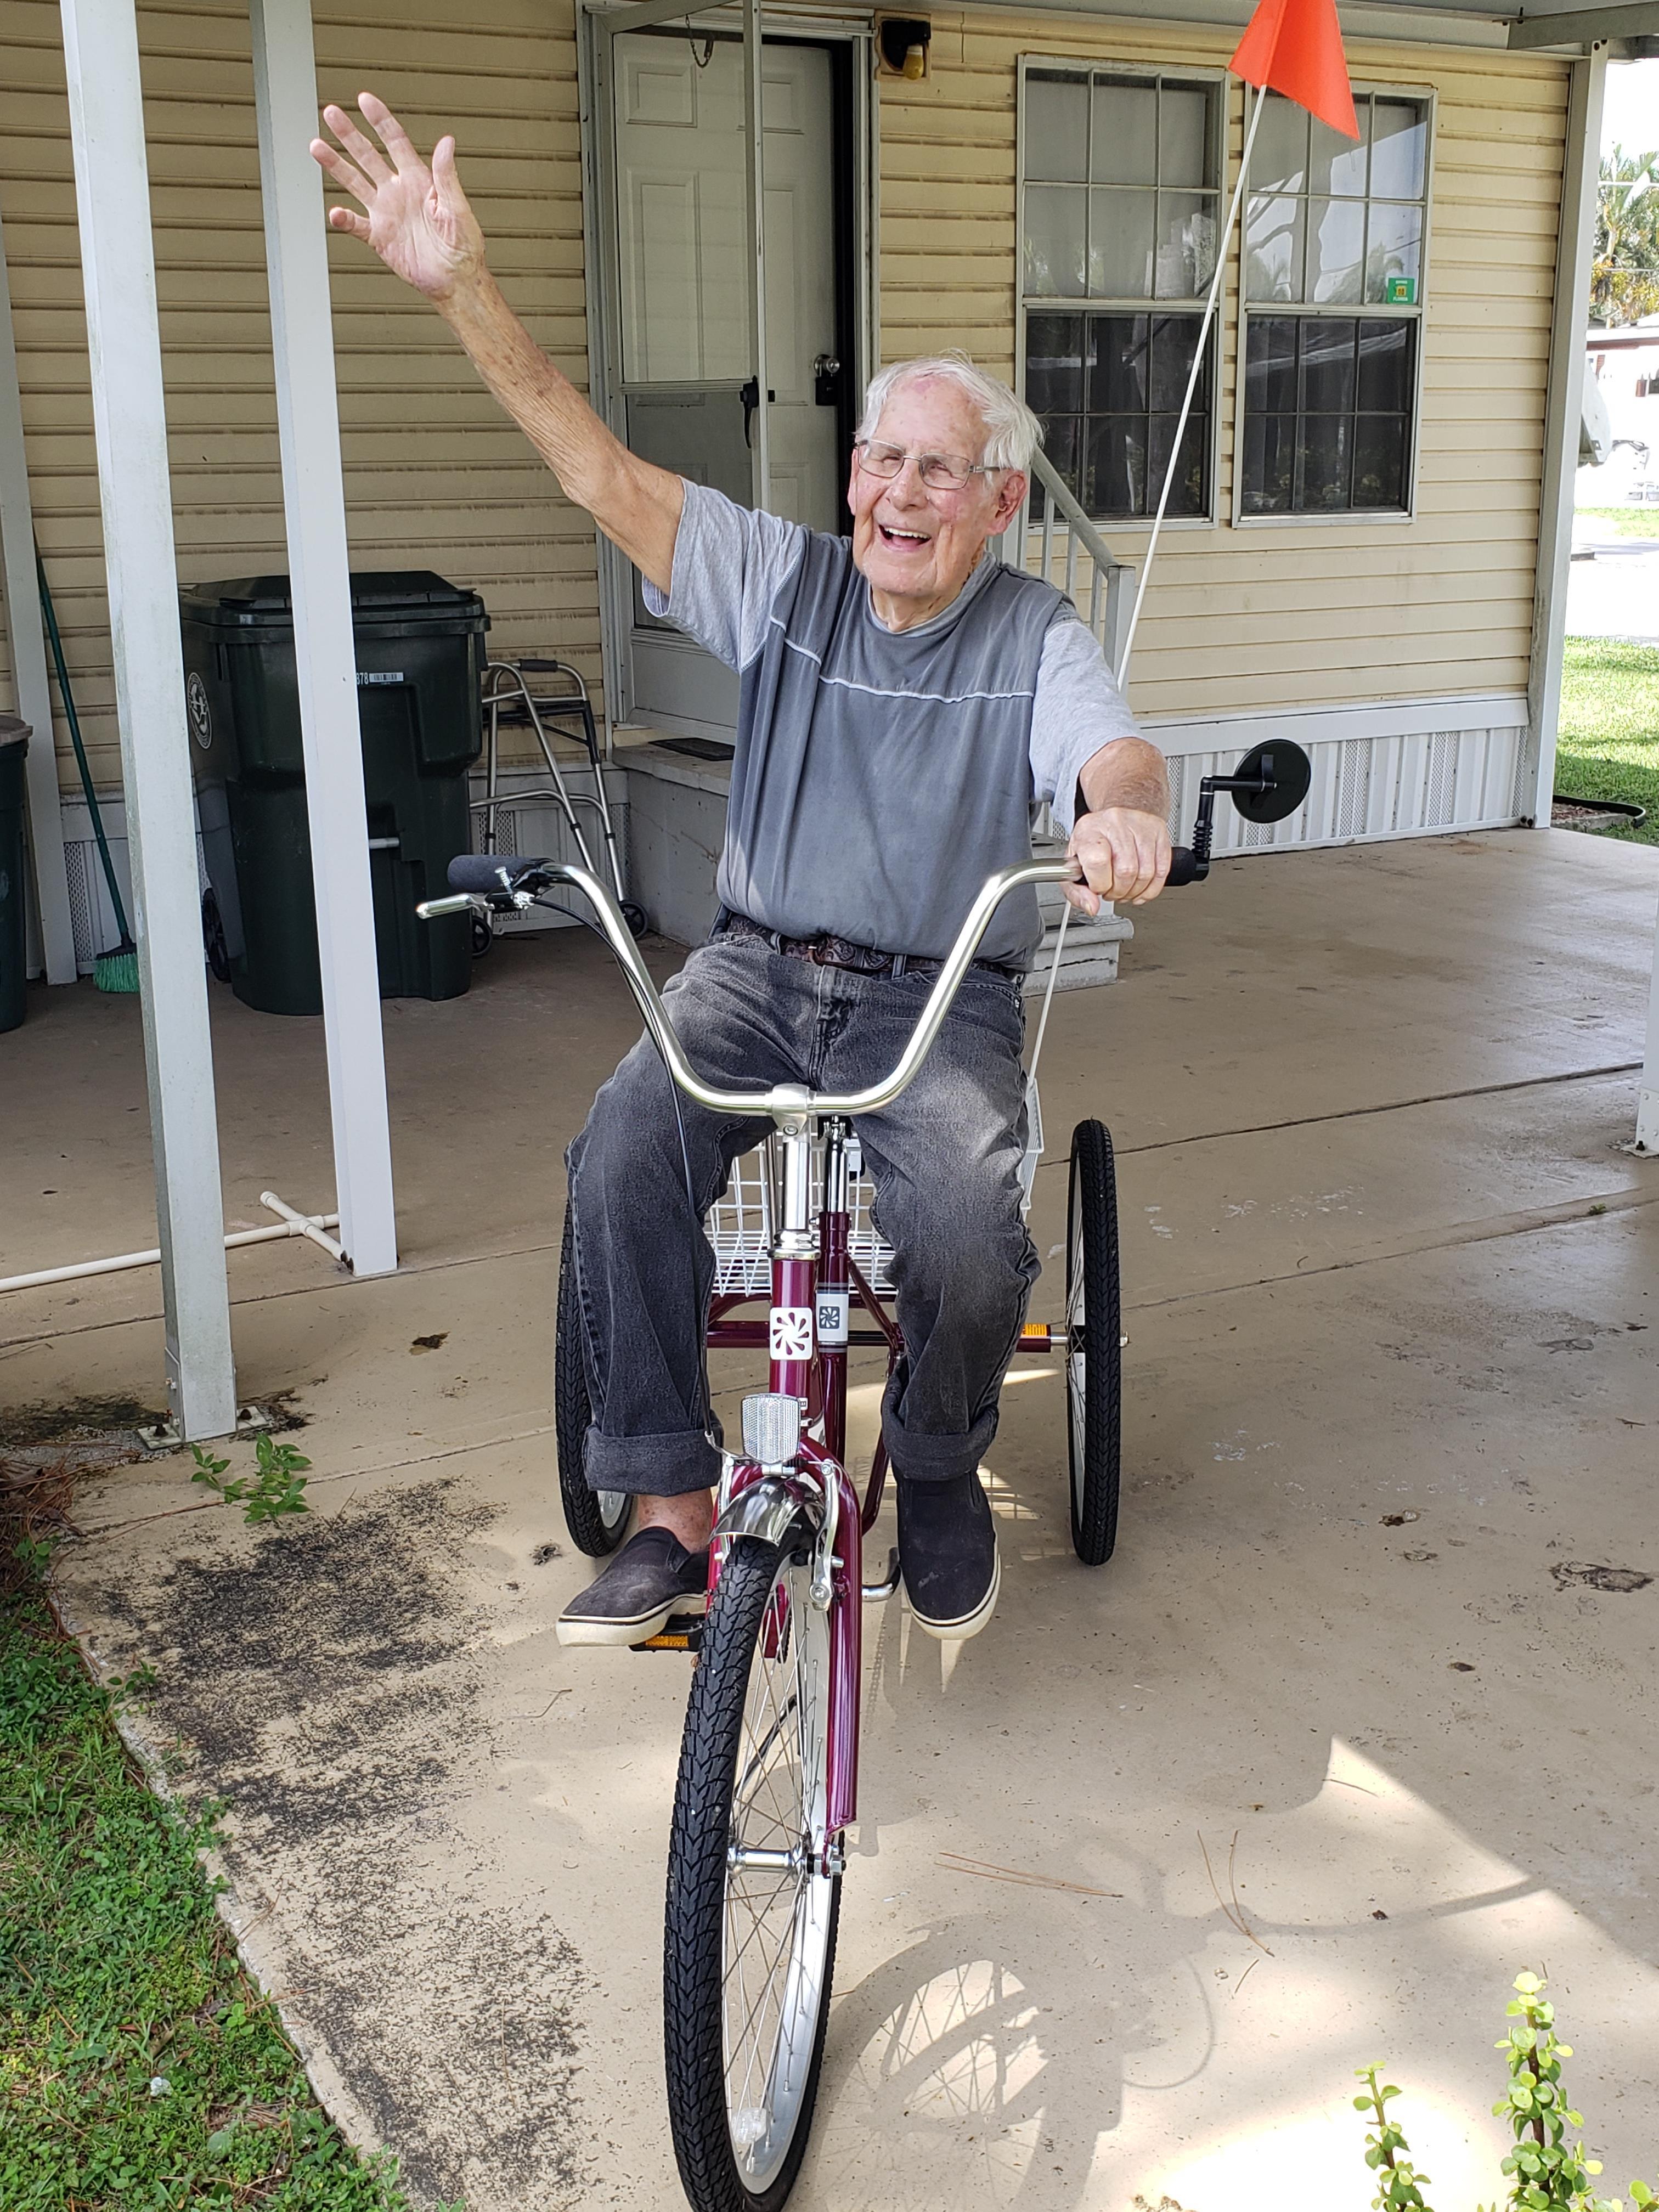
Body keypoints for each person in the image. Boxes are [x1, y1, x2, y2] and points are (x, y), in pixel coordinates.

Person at [312, 94, 1173, 1647]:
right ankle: (668, 1503)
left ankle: (937, 1458)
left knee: (975, 1243)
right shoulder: (781, 584)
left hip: (936, 1002)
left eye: (938, 472)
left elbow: (1111, 756)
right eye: (882, 461)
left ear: (997, 502)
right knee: (622, 1151)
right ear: (853, 476)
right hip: (754, 976)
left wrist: (1125, 819)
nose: (899, 495)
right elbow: (593, 468)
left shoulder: (1034, 636)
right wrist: (463, 293)